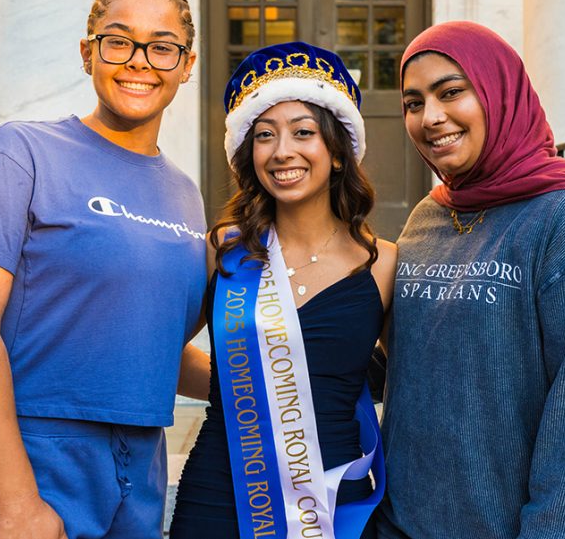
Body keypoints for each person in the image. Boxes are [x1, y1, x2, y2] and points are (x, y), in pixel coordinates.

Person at [0, 0, 206, 539]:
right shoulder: (15, 153)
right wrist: (17, 500)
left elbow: (151, 347)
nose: (139, 61)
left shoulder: (184, 193)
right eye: (118, 40)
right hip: (15, 450)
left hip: (137, 460)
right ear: (87, 52)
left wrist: (279, 382)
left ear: (186, 64)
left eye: (162, 46)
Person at [376, 21, 565, 539]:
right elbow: (418, 367)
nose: (431, 117)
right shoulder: (429, 217)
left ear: (499, 93)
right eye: (413, 102)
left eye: (451, 92)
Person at [169, 42, 396, 539]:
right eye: (265, 136)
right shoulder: (222, 251)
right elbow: (159, 353)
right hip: (219, 492)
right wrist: (242, 385)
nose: (282, 151)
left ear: (337, 152)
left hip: (334, 501)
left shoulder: (383, 263)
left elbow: (415, 384)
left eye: (303, 133)